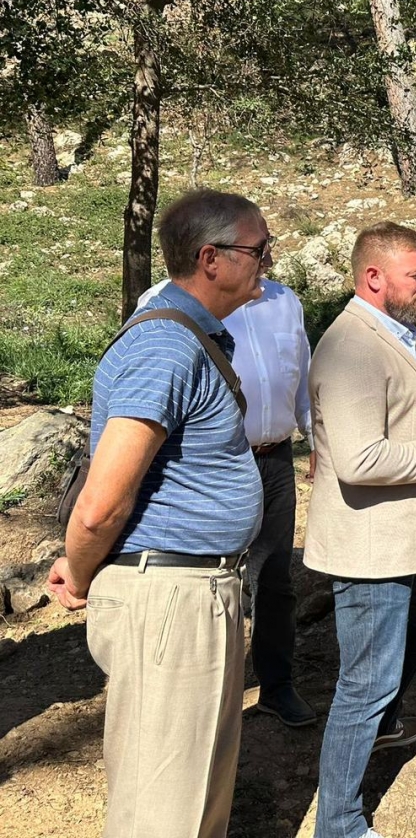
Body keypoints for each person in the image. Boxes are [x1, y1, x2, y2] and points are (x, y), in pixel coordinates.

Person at [47, 189, 268, 838]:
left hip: (195, 592)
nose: (265, 263)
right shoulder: (167, 347)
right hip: (171, 600)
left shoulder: (193, 339)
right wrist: (81, 571)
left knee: (196, 800)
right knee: (162, 815)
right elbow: (102, 503)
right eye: (258, 250)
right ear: (212, 259)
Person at [305, 221, 416, 838]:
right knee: (363, 685)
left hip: (407, 538)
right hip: (373, 546)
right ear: (374, 277)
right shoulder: (352, 344)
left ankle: (378, 721)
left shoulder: (389, 334)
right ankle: (340, 823)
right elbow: (359, 462)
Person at [138, 268, 317, 728]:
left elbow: (302, 381)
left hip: (276, 461)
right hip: (207, 466)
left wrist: (318, 443)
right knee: (206, 581)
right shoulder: (166, 302)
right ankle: (202, 701)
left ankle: (276, 686)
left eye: (264, 242)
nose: (264, 252)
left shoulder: (285, 301)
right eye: (253, 243)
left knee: (274, 578)